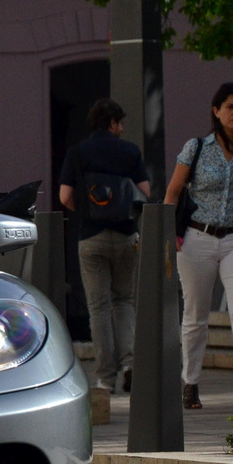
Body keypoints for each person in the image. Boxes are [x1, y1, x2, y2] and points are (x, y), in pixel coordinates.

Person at [162, 82, 233, 411]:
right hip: (197, 238)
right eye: (230, 107)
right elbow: (173, 192)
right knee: (195, 315)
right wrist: (166, 236)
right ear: (216, 110)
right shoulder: (197, 147)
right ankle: (189, 382)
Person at [58, 98, 150, 393]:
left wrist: (87, 212)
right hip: (125, 236)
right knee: (124, 301)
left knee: (98, 307)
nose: (122, 129)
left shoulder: (78, 152)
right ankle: (130, 365)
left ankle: (105, 378)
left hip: (91, 237)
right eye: (120, 123)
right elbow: (145, 193)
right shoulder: (130, 151)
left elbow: (64, 196)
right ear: (112, 123)